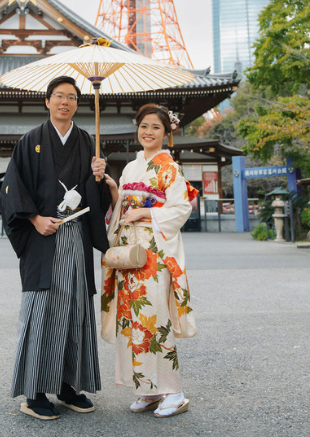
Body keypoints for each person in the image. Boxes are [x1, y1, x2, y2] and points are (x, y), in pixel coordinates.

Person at [0, 75, 111, 420]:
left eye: (72, 97)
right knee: (41, 311)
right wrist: (34, 218)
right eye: (59, 96)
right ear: (47, 101)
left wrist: (99, 176)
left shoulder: (86, 142)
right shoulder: (30, 141)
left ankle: (67, 386)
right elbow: (12, 189)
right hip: (42, 238)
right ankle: (34, 393)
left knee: (75, 311)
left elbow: (98, 199)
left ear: (78, 104)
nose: (65, 102)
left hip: (75, 238)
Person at [100, 103, 198, 418]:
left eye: (156, 127)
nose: (148, 132)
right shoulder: (130, 167)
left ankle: (174, 391)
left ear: (166, 133)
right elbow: (121, 209)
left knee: (155, 319)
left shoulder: (170, 167)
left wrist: (145, 211)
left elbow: (181, 209)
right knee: (132, 320)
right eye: (144, 126)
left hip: (155, 253)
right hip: (131, 253)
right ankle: (148, 390)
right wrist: (115, 189)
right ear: (137, 129)